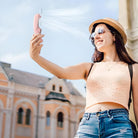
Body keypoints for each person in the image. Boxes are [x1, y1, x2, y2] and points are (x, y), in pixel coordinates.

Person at [30, 17, 138, 138]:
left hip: (119, 126)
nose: (96, 36)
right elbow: (61, 72)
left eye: (101, 31)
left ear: (114, 36)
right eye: (94, 35)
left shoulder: (132, 68)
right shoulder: (89, 68)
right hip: (88, 125)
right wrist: (36, 57)